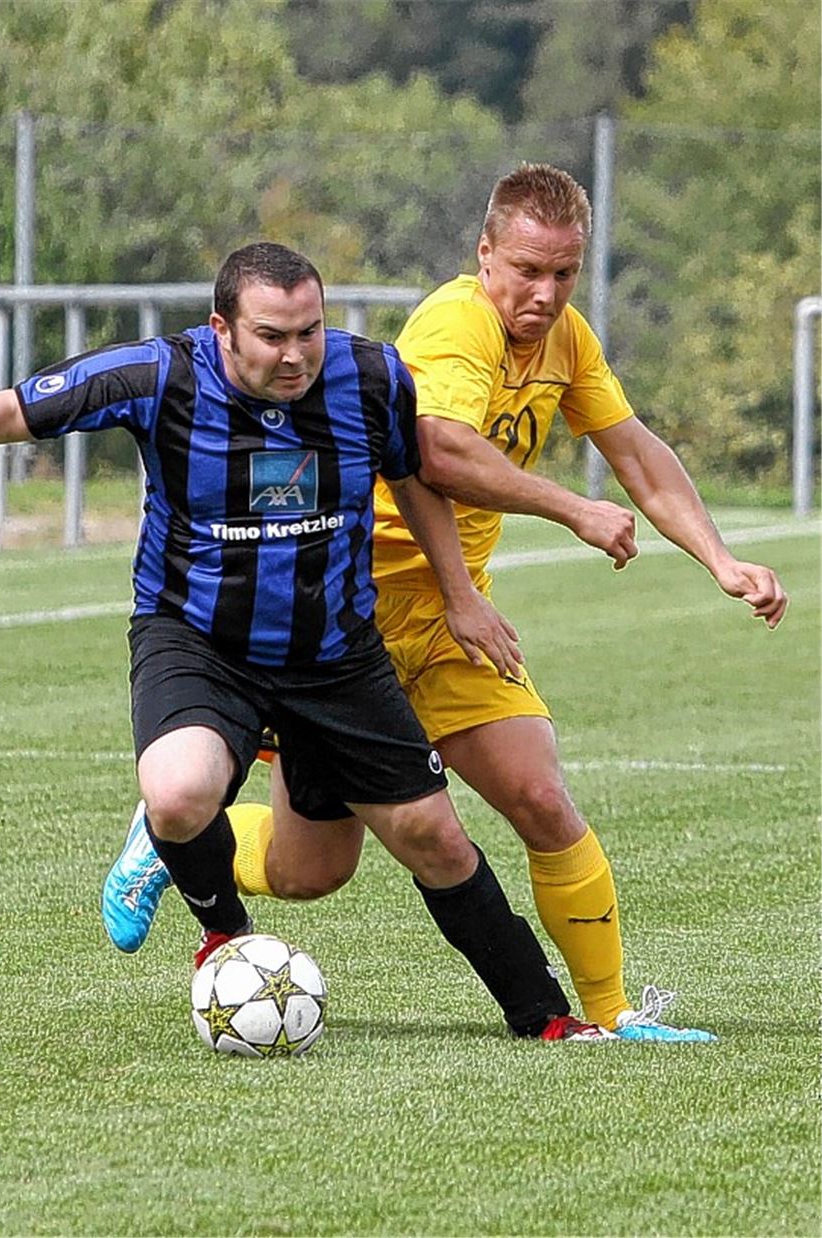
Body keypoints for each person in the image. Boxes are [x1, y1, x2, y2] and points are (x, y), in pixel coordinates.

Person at [0, 240, 615, 1042]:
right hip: (198, 641)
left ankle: (544, 1018)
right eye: (271, 336)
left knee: (392, 850)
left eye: (308, 332)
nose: (295, 356)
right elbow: (16, 408)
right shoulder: (160, 375)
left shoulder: (372, 376)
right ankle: (223, 931)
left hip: (334, 654)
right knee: (179, 792)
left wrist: (460, 595)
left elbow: (414, 478)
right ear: (222, 328)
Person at [104, 169, 789, 1043]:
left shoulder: (566, 342)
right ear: (485, 254)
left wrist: (721, 560)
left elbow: (637, 451)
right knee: (312, 871)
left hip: (450, 622)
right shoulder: (456, 325)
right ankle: (172, 836)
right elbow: (440, 451)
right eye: (528, 271)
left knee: (539, 795)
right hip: (341, 621)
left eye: (565, 274)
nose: (545, 294)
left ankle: (613, 1013)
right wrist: (574, 509)